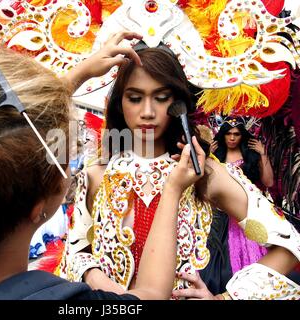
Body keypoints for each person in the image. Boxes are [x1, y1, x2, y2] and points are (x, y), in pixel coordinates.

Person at [0, 32, 212, 300]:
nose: (147, 111)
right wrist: (172, 191)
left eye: (160, 97)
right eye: (62, 157)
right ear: (41, 206)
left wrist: (76, 75)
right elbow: (150, 296)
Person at [59, 43, 300, 300]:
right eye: (135, 98)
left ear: (178, 105)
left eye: (161, 98)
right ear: (119, 103)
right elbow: (75, 250)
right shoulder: (98, 173)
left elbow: (290, 245)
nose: (148, 112)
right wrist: (98, 278)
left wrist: (224, 298)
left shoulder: (203, 173)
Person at [199, 119, 275, 294]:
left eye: (236, 134)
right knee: (217, 266)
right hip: (219, 218)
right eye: (228, 133)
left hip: (247, 216)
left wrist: (263, 155)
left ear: (243, 135)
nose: (232, 138)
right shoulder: (215, 156)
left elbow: (269, 182)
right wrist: (207, 157)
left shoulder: (251, 156)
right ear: (223, 134)